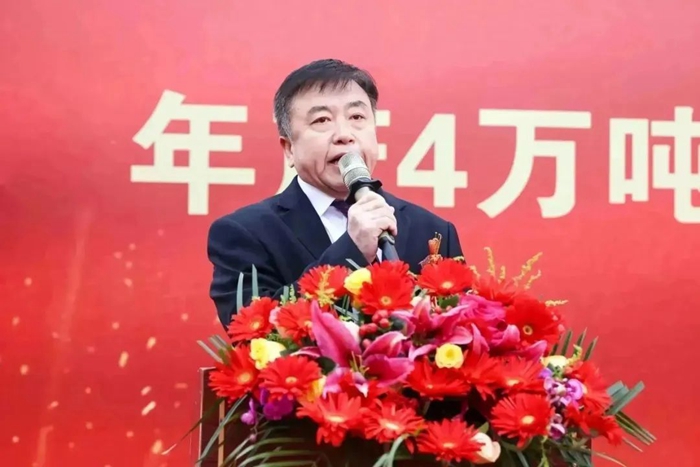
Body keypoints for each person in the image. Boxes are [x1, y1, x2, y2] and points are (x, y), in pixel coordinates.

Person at [207, 58, 464, 328]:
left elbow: (462, 329)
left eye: (357, 117)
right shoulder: (243, 234)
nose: (344, 134)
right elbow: (253, 331)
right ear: (289, 149)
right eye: (322, 120)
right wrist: (352, 250)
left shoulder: (434, 231)